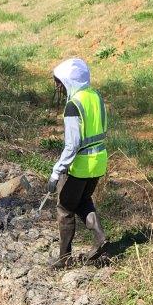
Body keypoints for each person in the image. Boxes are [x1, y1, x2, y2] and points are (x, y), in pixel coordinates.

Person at [47, 57, 109, 268]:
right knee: (83, 201)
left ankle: (64, 258)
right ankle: (100, 238)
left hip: (80, 166)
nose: (59, 87)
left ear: (69, 81)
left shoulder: (73, 106)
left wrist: (57, 171)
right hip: (99, 162)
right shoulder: (95, 97)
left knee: (64, 207)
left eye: (60, 83)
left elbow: (72, 145)